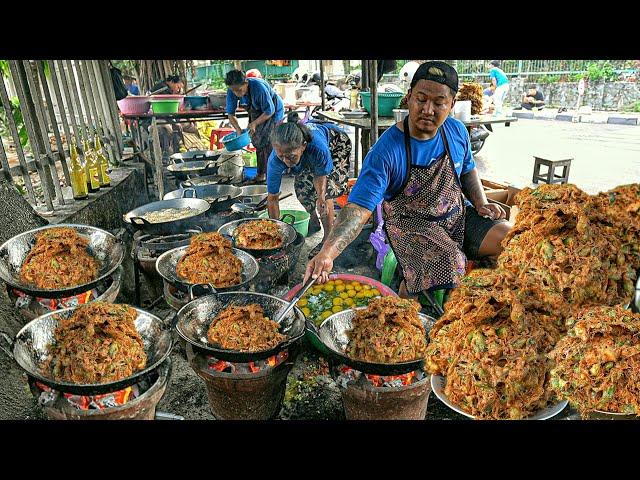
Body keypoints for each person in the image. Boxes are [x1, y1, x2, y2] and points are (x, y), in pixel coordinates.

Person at [305, 61, 512, 301]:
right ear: (409, 97)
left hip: (457, 217)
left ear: (452, 104)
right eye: (421, 99)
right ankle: (410, 297)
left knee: (512, 241)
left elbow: (468, 169)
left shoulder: (456, 131)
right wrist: (328, 252)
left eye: (438, 102)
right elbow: (358, 209)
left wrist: (481, 202)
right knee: (452, 262)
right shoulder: (387, 150)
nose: (427, 109)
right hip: (410, 226)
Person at [267, 112, 352, 256]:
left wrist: (320, 197)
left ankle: (327, 240)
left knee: (327, 193)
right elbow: (272, 198)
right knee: (302, 189)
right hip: (309, 153)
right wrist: (275, 234)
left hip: (336, 145)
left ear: (303, 146)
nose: (287, 162)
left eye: (291, 156)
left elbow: (321, 176)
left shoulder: (317, 149)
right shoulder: (275, 161)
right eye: (282, 156)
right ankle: (313, 220)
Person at [225, 69, 285, 184]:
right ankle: (260, 174)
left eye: (239, 90)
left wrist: (255, 123)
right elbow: (231, 114)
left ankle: (271, 176)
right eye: (234, 91)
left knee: (268, 142)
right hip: (257, 112)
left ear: (246, 82)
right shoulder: (232, 90)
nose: (237, 93)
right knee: (257, 141)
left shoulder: (258, 87)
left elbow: (269, 110)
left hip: (273, 111)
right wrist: (238, 130)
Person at [146, 75, 185, 159]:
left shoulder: (164, 86)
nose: (178, 90)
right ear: (172, 82)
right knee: (167, 129)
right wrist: (174, 122)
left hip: (160, 116)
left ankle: (175, 153)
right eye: (178, 87)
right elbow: (165, 111)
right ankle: (167, 156)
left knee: (176, 126)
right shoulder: (163, 89)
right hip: (153, 119)